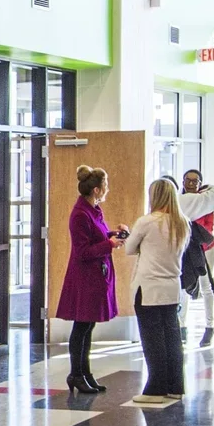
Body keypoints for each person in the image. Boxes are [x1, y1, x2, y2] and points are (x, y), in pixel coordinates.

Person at [56, 164, 125, 394]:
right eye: (105, 185)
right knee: (82, 325)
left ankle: (85, 373)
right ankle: (76, 374)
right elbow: (83, 251)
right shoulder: (79, 214)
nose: (108, 189)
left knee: (89, 325)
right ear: (96, 189)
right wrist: (109, 245)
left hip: (97, 275)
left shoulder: (94, 210)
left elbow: (98, 235)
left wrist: (112, 235)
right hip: (85, 277)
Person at [124, 177, 190, 403]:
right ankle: (175, 385)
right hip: (172, 286)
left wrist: (130, 235)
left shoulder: (147, 222)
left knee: (152, 338)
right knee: (172, 337)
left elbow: (129, 249)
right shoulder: (182, 223)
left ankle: (155, 389)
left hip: (149, 286)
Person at [178, 169, 214, 345]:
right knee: (184, 287)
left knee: (206, 286)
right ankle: (182, 326)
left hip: (205, 248)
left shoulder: (206, 202)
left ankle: (209, 326)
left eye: (195, 181)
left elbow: (208, 227)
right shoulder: (179, 201)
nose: (191, 184)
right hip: (185, 248)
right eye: (188, 180)